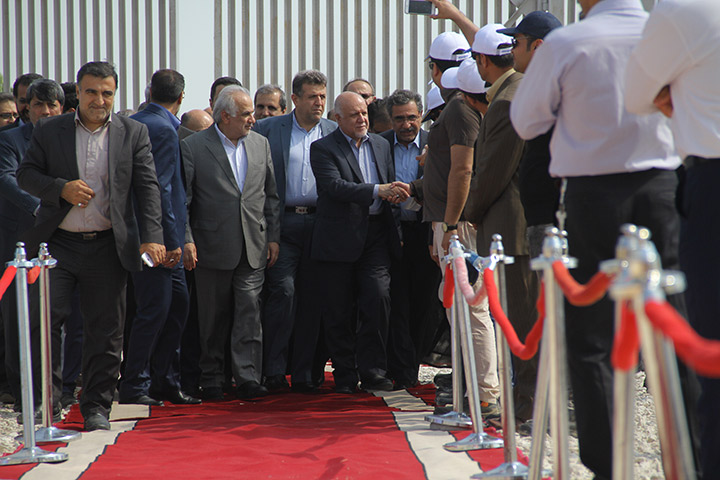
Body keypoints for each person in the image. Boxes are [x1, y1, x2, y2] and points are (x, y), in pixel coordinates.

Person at [511, 1, 701, 476]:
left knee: (592, 334)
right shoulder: (665, 33)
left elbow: (527, 121)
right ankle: (692, 456)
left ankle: (606, 463)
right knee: (676, 322)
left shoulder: (567, 43)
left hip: (593, 194)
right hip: (662, 187)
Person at [17, 61, 165, 432]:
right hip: (58, 245)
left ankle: (96, 406)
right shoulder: (50, 130)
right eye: (92, 92)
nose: (99, 100)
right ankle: (46, 404)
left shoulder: (133, 133)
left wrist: (152, 235)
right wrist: (60, 189)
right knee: (45, 322)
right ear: (79, 94)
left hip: (108, 245)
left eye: (107, 93)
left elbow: (148, 187)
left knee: (106, 330)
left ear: (115, 94)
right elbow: (26, 175)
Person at [624, 0, 720, 475]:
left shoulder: (683, 9)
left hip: (712, 180)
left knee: (711, 340)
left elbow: (636, 93)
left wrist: (674, 93)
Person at [403, 28, 501, 414]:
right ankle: (474, 390)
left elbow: (463, 170)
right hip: (452, 220)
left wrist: (448, 226)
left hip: (456, 225)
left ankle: (484, 394)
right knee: (461, 310)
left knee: (470, 309)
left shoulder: (459, 109)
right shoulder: (462, 107)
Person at [181, 85, 280, 401]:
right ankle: (212, 378)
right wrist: (187, 240)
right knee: (212, 317)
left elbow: (271, 196)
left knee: (250, 312)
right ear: (225, 116)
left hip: (254, 245)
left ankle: (248, 377)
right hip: (211, 247)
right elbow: (183, 201)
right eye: (247, 114)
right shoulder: (194, 147)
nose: (254, 119)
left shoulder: (261, 144)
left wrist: (273, 237)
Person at [464, 23, 539, 423]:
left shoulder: (509, 99)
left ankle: (529, 408)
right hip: (513, 224)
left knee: (522, 320)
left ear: (482, 61)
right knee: (518, 319)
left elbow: (493, 170)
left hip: (511, 226)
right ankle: (526, 403)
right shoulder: (515, 91)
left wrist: (470, 213)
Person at [310, 91, 406, 393]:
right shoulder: (323, 148)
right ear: (338, 118)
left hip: (376, 236)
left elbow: (390, 188)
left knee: (378, 297)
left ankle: (374, 371)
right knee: (338, 310)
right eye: (354, 115)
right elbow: (335, 186)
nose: (362, 119)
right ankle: (345, 375)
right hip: (338, 239)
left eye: (364, 112)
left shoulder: (380, 144)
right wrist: (378, 190)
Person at [119, 69, 199, 406]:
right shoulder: (163, 129)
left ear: (149, 92)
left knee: (176, 305)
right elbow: (160, 189)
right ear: (181, 97)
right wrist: (171, 241)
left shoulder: (134, 122)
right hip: (159, 239)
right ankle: (135, 383)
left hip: (151, 234)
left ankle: (164, 379)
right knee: (155, 310)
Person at [253, 70, 336, 393]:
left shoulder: (333, 131)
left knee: (313, 299)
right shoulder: (267, 129)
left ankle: (304, 373)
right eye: (312, 97)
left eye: (323, 97)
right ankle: (274, 371)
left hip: (321, 225)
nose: (319, 103)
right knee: (283, 294)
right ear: (295, 99)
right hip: (282, 226)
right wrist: (269, 234)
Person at [0, 79, 65, 412]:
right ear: (28, 108)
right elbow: (6, 178)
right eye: (39, 104)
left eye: (53, 105)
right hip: (21, 242)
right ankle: (23, 393)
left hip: (62, 242)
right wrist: (41, 208)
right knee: (19, 319)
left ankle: (54, 393)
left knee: (55, 320)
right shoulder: (10, 140)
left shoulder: (68, 141)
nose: (46, 111)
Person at [380, 89, 440, 389]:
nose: (406, 125)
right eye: (399, 119)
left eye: (412, 118)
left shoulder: (434, 143)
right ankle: (401, 370)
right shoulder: (379, 145)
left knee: (424, 304)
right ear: (390, 120)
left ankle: (411, 364)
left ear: (421, 116)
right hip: (391, 232)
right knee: (397, 302)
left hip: (425, 232)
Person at [498, 11, 562, 260]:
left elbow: (523, 125)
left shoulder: (552, 84)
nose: (511, 50)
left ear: (538, 46)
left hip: (551, 213)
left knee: (553, 282)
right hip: (543, 211)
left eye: (516, 42)